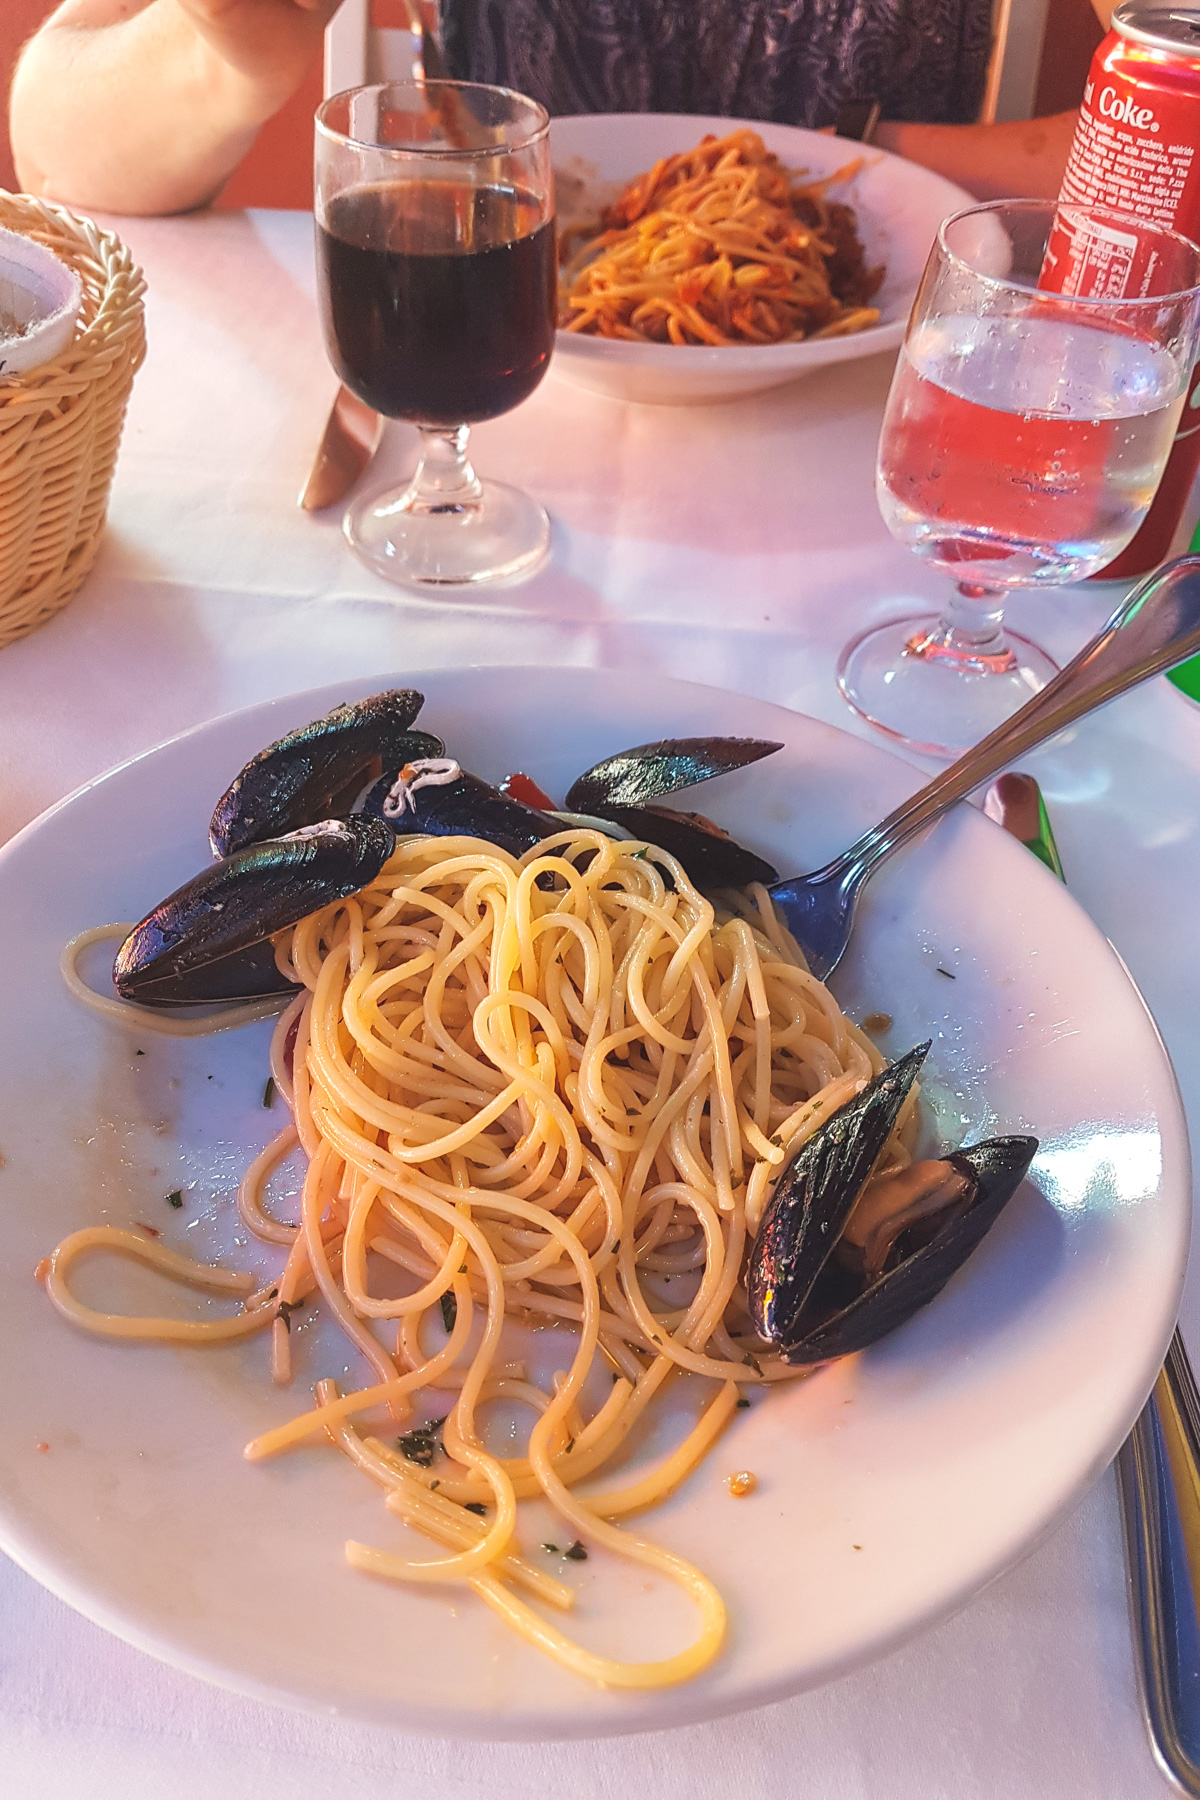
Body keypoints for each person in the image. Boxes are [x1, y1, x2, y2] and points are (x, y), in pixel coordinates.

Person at [10, 0, 1110, 217]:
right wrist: (228, 52)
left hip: (882, 415)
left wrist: (869, 161)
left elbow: (1167, 145)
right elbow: (63, 160)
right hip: (488, 399)